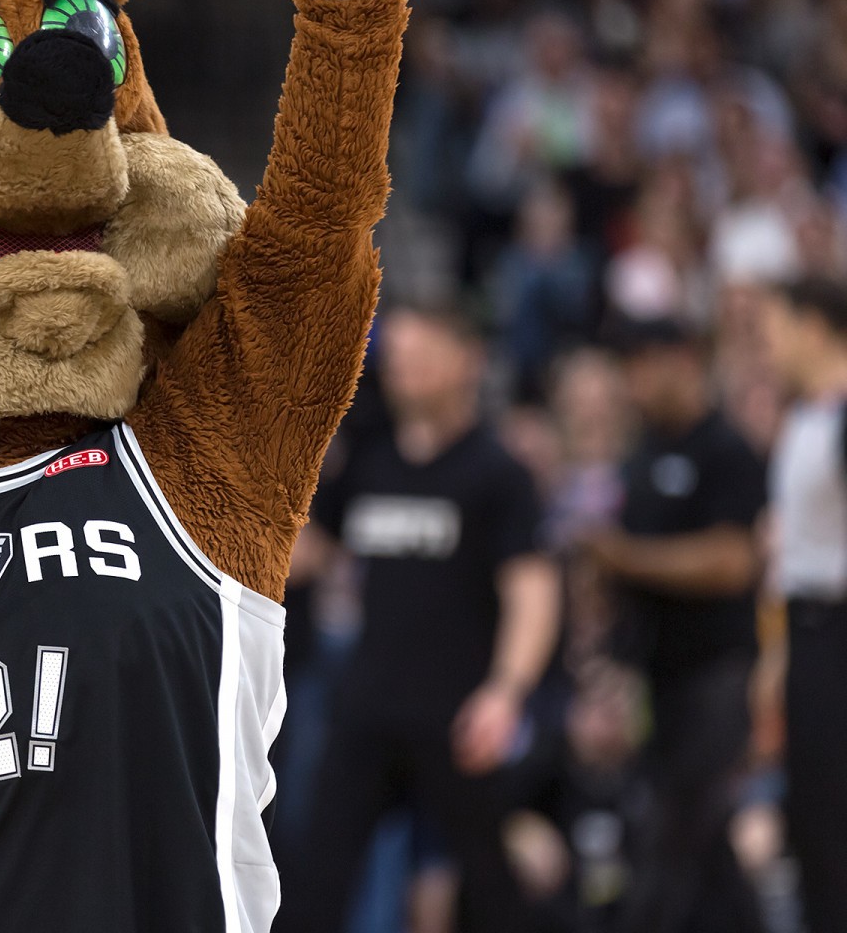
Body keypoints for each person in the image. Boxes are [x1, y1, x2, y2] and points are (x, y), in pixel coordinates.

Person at [277, 303, 561, 933]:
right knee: (314, 881)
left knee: (489, 887)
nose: (403, 370)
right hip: (367, 706)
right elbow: (305, 553)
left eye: (421, 356)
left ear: (467, 361)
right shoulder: (368, 461)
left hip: (458, 713)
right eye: (397, 357)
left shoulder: (496, 473)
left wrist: (506, 693)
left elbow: (533, 591)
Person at [581, 317, 765, 933]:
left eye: (641, 366)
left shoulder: (727, 450)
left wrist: (625, 557)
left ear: (682, 360)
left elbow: (733, 561)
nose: (632, 385)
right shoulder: (642, 454)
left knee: (668, 836)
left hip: (718, 677)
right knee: (705, 851)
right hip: (658, 677)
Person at [759, 277, 847, 932]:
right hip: (808, 633)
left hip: (838, 629)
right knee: (814, 822)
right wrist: (776, 656)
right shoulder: (804, 417)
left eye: (776, 328)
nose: (768, 345)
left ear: (813, 327)